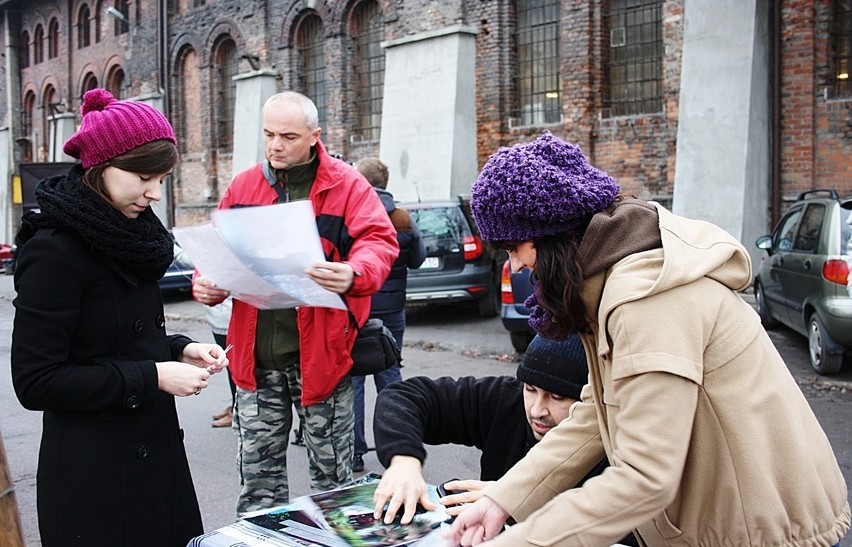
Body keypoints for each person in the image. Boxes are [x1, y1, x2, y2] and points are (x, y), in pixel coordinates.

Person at [442, 132, 851, 547]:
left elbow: (645, 476)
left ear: (552, 233)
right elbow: (596, 416)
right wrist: (503, 500)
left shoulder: (644, 300)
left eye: (514, 248)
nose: (515, 266)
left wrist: (518, 543)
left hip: (766, 533)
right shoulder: (608, 282)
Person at [10, 88, 229, 547]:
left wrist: (181, 350)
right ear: (100, 168)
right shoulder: (55, 250)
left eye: (162, 179)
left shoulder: (131, 235)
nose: (154, 193)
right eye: (144, 176)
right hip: (95, 484)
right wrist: (152, 377)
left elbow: (115, 337)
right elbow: (36, 380)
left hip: (157, 466)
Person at [193, 91, 399, 515]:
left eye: (287, 136)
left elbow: (378, 240)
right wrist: (206, 282)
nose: (275, 145)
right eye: (268, 134)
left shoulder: (346, 184)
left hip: (323, 358)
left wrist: (355, 272)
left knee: (334, 485)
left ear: (314, 136)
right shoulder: (245, 185)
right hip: (254, 362)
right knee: (259, 487)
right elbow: (216, 250)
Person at [351, 157, 427, 472]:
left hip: (357, 311)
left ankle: (354, 451)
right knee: (391, 375)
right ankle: (397, 450)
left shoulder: (352, 214)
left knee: (354, 380)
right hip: (393, 311)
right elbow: (418, 259)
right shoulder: (403, 219)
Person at [206, 296, 236, 427]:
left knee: (234, 368)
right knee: (230, 368)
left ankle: (238, 411)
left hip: (230, 319)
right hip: (218, 317)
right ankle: (236, 406)